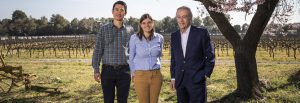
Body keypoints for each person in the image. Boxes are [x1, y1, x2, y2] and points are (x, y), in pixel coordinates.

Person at [170, 6, 215, 103]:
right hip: (180, 81)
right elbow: (173, 59)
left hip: (197, 81)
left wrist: (205, 74)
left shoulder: (201, 33)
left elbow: (210, 55)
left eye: (184, 17)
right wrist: (173, 77)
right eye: (178, 17)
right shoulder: (174, 36)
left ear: (190, 18)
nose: (181, 20)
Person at [92, 1, 133, 103]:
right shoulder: (104, 29)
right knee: (108, 100)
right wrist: (96, 69)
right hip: (107, 71)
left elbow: (133, 51)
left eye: (122, 10)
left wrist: (134, 70)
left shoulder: (130, 30)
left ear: (125, 13)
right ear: (112, 12)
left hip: (125, 71)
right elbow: (98, 50)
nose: (119, 12)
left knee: (123, 100)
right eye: (116, 9)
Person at [128, 13, 164, 103]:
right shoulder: (134, 38)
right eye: (143, 23)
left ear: (153, 23)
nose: (146, 25)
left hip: (156, 76)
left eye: (149, 22)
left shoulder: (160, 38)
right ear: (140, 25)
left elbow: (159, 56)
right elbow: (131, 57)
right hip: (140, 76)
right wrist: (133, 73)